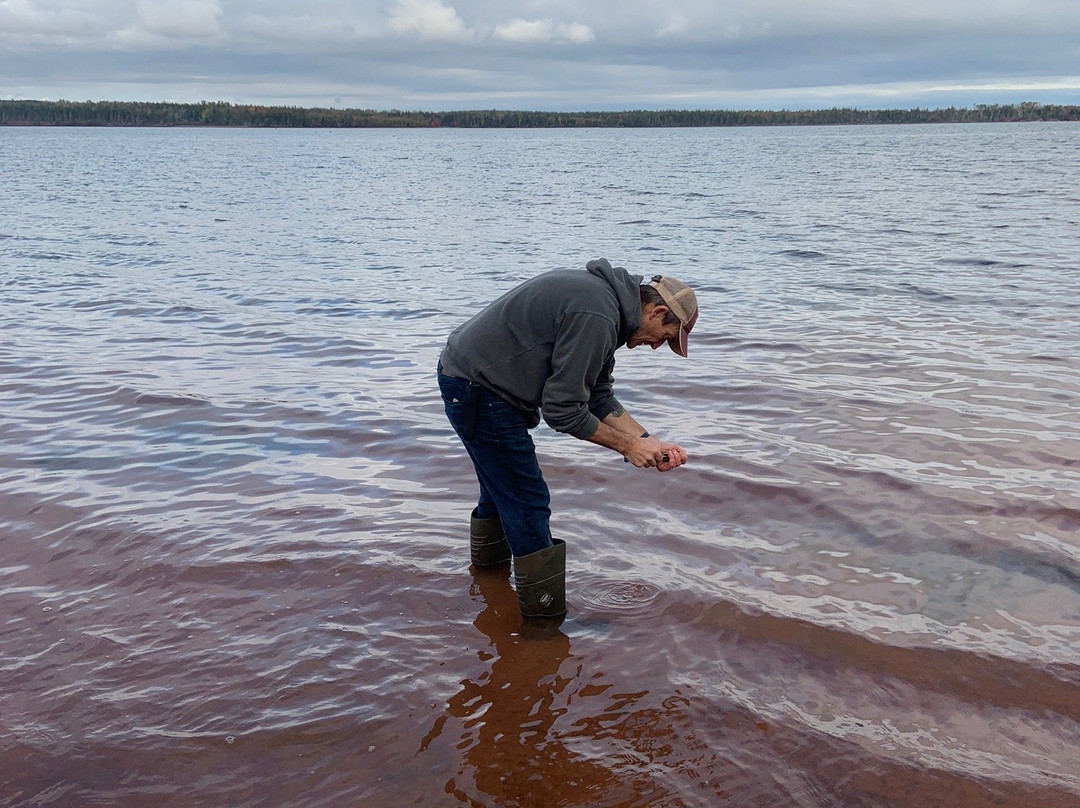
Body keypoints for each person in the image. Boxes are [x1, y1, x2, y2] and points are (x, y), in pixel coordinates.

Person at [437, 258, 698, 620]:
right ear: (655, 311)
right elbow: (562, 410)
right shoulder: (598, 316)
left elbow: (598, 394)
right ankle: (544, 625)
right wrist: (628, 447)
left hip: (469, 378)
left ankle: (488, 586)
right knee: (527, 500)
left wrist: (648, 440)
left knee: (501, 494)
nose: (657, 347)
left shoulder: (607, 307)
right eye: (665, 338)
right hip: (479, 388)